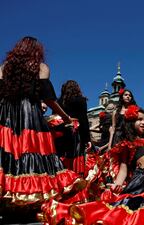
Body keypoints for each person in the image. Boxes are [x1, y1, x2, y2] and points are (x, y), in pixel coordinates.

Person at [0, 37, 84, 210]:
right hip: (29, 113)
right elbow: (48, 98)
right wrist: (66, 117)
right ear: (37, 50)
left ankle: (9, 203)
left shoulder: (4, 68)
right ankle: (29, 202)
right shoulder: (40, 67)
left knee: (10, 155)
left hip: (6, 114)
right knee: (32, 155)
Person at [54, 80, 92, 176]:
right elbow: (83, 120)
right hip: (74, 131)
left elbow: (54, 117)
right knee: (75, 155)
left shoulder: (59, 101)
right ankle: (74, 178)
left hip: (60, 131)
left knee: (61, 155)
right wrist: (87, 139)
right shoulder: (80, 100)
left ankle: (61, 177)